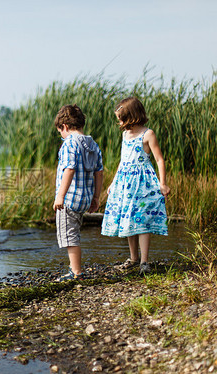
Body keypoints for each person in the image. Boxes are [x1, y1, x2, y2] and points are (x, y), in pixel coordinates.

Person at [101, 97, 170, 274]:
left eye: (122, 119)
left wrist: (162, 184)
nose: (120, 123)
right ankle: (133, 258)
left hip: (142, 184)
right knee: (128, 220)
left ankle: (144, 262)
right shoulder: (125, 135)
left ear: (132, 117)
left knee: (143, 220)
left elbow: (159, 159)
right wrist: (114, 182)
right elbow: (122, 161)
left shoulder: (148, 134)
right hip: (125, 183)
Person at [53, 104, 104, 281]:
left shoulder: (69, 144)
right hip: (85, 197)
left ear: (64, 127)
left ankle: (76, 272)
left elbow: (69, 168)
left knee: (69, 235)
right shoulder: (92, 144)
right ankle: (73, 268)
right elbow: (99, 172)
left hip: (70, 198)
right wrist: (96, 197)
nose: (62, 135)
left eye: (60, 132)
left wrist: (60, 195)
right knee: (74, 231)